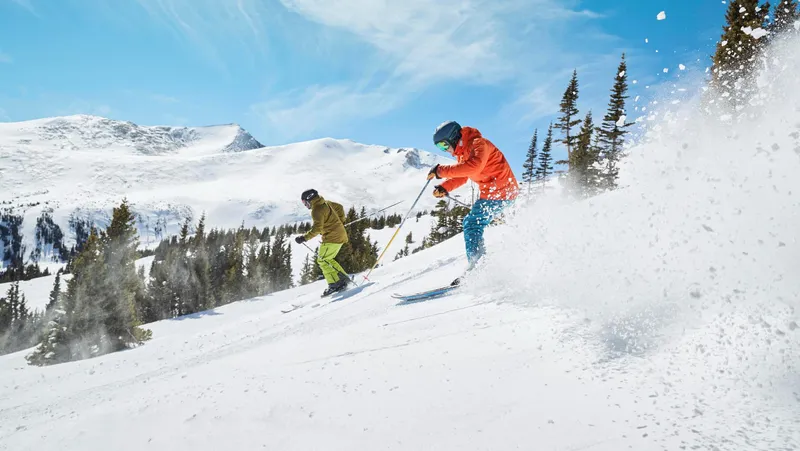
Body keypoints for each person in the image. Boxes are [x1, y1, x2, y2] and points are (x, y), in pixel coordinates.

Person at [427, 121, 519, 285]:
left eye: (444, 145)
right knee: (472, 223)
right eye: (440, 147)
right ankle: (479, 267)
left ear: (453, 137)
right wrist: (445, 187)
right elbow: (464, 175)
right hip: (494, 192)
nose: (445, 150)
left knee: (472, 224)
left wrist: (440, 171)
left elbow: (473, 168)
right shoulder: (463, 153)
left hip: (503, 191)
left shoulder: (479, 144)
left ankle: (478, 269)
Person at [294, 189, 351, 296]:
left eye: (305, 202)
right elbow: (339, 207)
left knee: (323, 260)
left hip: (332, 237)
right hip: (339, 235)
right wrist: (341, 222)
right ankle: (342, 279)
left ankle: (336, 284)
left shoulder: (316, 210)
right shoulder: (325, 203)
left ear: (310, 199)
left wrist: (304, 238)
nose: (305, 205)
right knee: (327, 259)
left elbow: (317, 229)